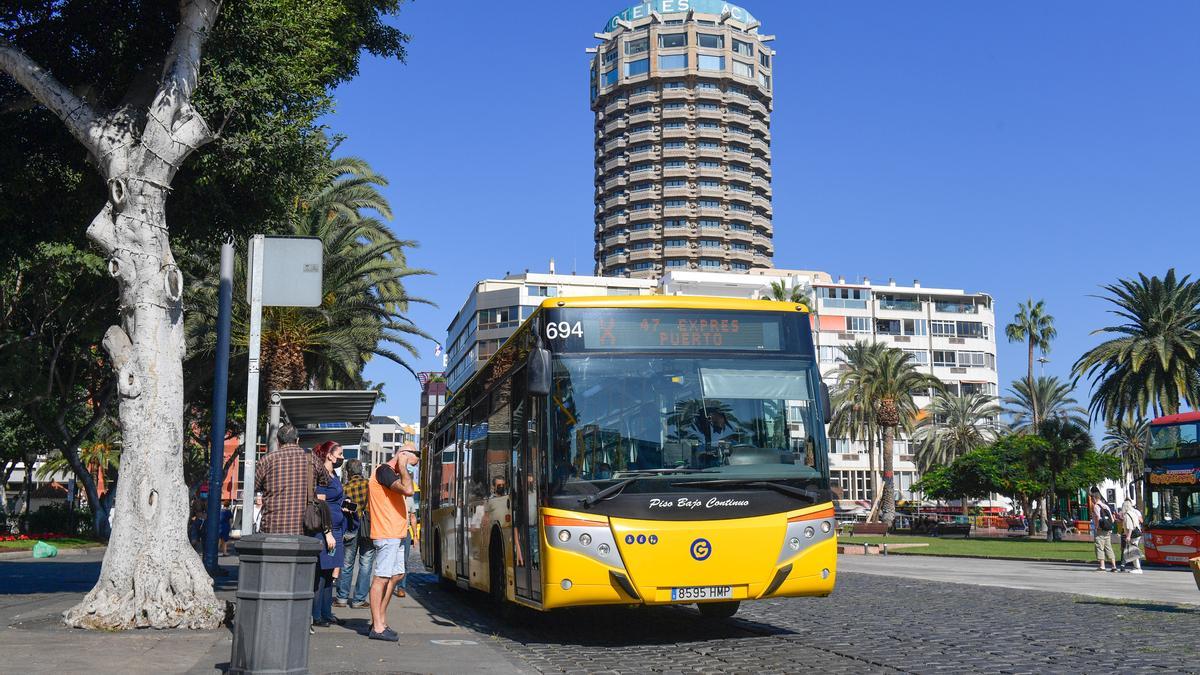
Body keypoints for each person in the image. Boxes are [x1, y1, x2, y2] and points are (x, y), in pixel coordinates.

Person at [367, 443, 417, 641]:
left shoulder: (391, 473)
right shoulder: (384, 471)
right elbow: (408, 490)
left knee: (397, 575)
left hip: (395, 533)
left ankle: (380, 619)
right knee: (381, 577)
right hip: (386, 533)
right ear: (403, 455)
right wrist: (403, 466)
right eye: (411, 463)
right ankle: (377, 626)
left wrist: (404, 467)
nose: (410, 469)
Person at [255, 423, 321, 536]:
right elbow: (325, 481)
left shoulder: (266, 460)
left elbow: (255, 486)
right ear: (297, 440)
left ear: (278, 441)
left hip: (271, 528)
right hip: (302, 529)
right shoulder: (311, 458)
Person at [311, 441, 347, 629]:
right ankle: (316, 614)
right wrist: (327, 533)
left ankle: (325, 612)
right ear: (329, 455)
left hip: (336, 528)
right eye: (339, 453)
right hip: (328, 530)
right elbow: (321, 505)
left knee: (329, 573)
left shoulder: (334, 475)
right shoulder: (322, 476)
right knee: (321, 574)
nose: (342, 457)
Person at [335, 459, 375, 609]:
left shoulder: (344, 488)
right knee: (366, 564)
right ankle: (359, 599)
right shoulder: (370, 486)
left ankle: (342, 598)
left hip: (350, 528)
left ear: (348, 472)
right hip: (368, 529)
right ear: (361, 471)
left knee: (346, 564)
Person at [1089, 486, 1117, 572]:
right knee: (1108, 547)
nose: (1092, 500)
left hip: (1100, 530)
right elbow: (1112, 518)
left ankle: (1102, 566)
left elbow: (1097, 517)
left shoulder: (1096, 506)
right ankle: (1114, 566)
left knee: (1099, 547)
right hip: (1108, 530)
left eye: (1092, 498)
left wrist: (1096, 527)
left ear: (1095, 498)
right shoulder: (1105, 506)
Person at [1120, 498, 1144, 574]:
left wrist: (1128, 536)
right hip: (1137, 533)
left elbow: (1130, 527)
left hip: (1133, 535)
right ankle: (1136, 566)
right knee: (1133, 550)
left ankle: (1137, 567)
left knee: (1133, 551)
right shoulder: (1133, 513)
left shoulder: (1127, 515)